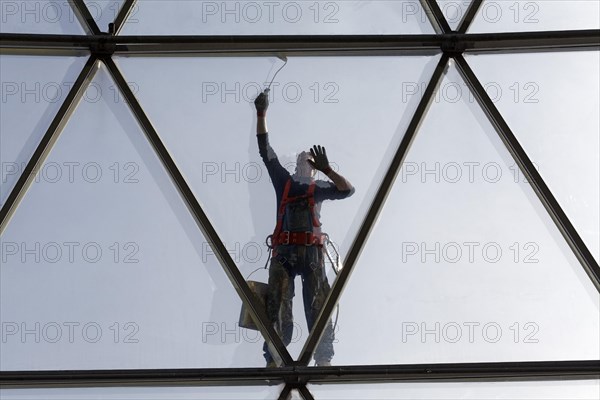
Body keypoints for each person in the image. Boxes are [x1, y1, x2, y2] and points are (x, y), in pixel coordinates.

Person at [254, 91, 355, 367]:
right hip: (285, 253)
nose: (305, 163)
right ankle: (274, 361)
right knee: (277, 302)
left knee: (318, 304)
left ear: (314, 169)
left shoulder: (318, 188)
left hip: (311, 255)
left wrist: (329, 170)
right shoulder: (284, 182)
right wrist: (261, 115)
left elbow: (347, 191)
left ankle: (323, 361)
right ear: (296, 165)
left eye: (309, 162)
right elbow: (266, 151)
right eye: (302, 160)